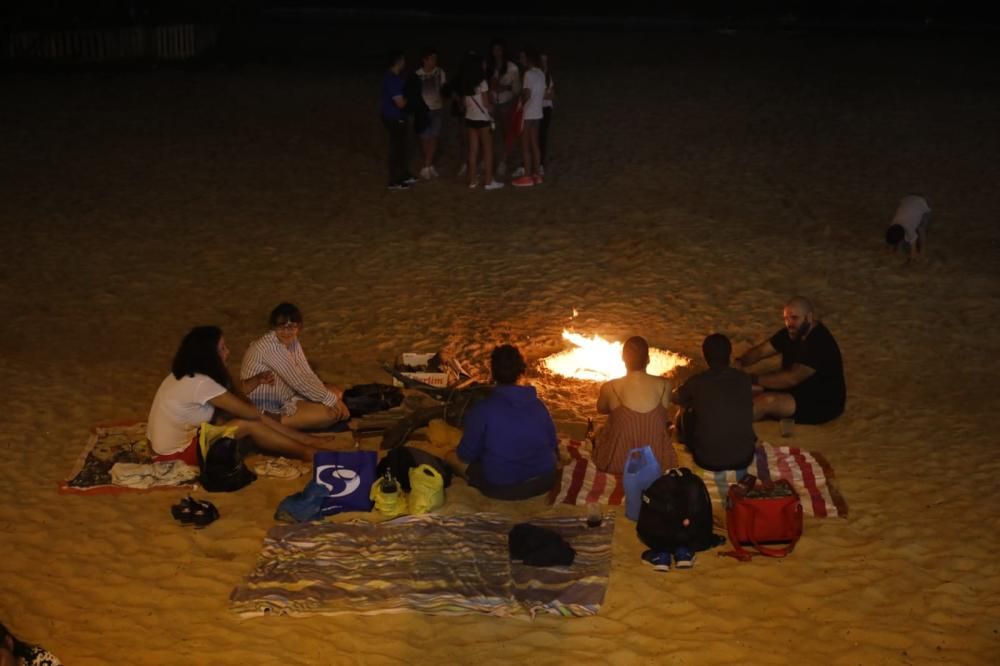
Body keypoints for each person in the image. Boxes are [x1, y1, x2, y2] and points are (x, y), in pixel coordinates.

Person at [148, 326, 328, 464]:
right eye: (222, 348)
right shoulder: (201, 383)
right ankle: (306, 451)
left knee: (238, 417)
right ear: (209, 356)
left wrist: (255, 381)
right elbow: (250, 412)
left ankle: (303, 441)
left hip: (160, 448)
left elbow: (226, 397)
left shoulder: (185, 373)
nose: (228, 352)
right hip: (175, 456)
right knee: (248, 422)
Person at [448, 345, 557, 500]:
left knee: (451, 457)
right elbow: (552, 443)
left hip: (504, 488)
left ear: (493, 373)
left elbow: (466, 454)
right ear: (521, 371)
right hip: (545, 480)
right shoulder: (538, 405)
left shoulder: (483, 410)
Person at [240, 302, 350, 430]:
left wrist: (331, 397)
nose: (287, 332)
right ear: (273, 327)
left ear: (299, 327)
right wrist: (331, 400)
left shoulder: (292, 341)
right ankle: (277, 426)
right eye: (282, 327)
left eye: (292, 327)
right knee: (331, 413)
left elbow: (306, 373)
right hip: (267, 408)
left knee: (337, 393)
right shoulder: (270, 347)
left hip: (287, 394)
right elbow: (299, 382)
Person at [737, 297, 846, 424]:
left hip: (820, 402)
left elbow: (790, 378)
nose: (789, 324)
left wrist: (752, 378)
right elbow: (761, 351)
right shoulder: (793, 332)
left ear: (809, 318)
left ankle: (731, 423)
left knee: (767, 401)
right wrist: (740, 362)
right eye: (786, 319)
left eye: (794, 318)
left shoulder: (819, 343)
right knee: (747, 388)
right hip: (797, 389)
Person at [593, 336, 676, 474]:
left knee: (605, 427)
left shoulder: (610, 387)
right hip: (656, 462)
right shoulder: (665, 386)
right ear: (648, 359)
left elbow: (601, 409)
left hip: (619, 463)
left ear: (623, 359)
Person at [674, 334, 757, 471]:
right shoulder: (743, 379)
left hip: (707, 459)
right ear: (729, 355)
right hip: (744, 457)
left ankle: (681, 440)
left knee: (685, 408)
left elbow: (676, 398)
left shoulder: (697, 382)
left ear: (705, 357)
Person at [460, 52, 503, 191]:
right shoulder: (482, 82)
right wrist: (492, 108)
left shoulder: (465, 82)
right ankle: (488, 181)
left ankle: (472, 180)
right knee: (487, 151)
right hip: (482, 120)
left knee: (472, 151)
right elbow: (485, 103)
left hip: (470, 119)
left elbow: (465, 103)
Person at [380, 49, 414, 191]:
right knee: (397, 148)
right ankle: (395, 180)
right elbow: (400, 103)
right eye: (403, 60)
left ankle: (403, 174)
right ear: (398, 62)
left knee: (401, 146)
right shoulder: (393, 80)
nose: (404, 63)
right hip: (394, 117)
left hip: (395, 116)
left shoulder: (392, 77)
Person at [512, 48, 546, 188]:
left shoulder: (528, 74)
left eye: (523, 58)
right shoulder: (541, 73)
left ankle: (527, 176)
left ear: (528, 59)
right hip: (538, 112)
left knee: (525, 145)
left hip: (528, 113)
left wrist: (519, 102)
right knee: (535, 144)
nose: (521, 60)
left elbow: (526, 94)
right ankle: (537, 174)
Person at [487, 38, 521, 177]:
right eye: (494, 50)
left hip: (506, 104)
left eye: (499, 50)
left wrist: (504, 86)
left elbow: (517, 89)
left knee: (506, 133)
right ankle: (489, 159)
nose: (497, 53)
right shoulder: (490, 66)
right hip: (492, 103)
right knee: (491, 132)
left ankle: (503, 161)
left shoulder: (512, 68)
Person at [414, 47, 446, 180]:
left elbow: (444, 89)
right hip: (422, 110)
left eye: (435, 59)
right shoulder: (417, 75)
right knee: (424, 138)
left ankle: (427, 165)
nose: (434, 61)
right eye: (432, 58)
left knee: (434, 137)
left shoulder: (440, 72)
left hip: (437, 108)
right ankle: (429, 164)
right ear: (424, 60)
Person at [885, 194, 931, 262]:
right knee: (897, 236)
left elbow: (913, 245)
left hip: (923, 204)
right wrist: (891, 251)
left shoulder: (909, 228)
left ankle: (923, 250)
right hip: (909, 200)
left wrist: (912, 258)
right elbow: (893, 237)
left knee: (921, 229)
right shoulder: (893, 224)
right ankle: (899, 249)